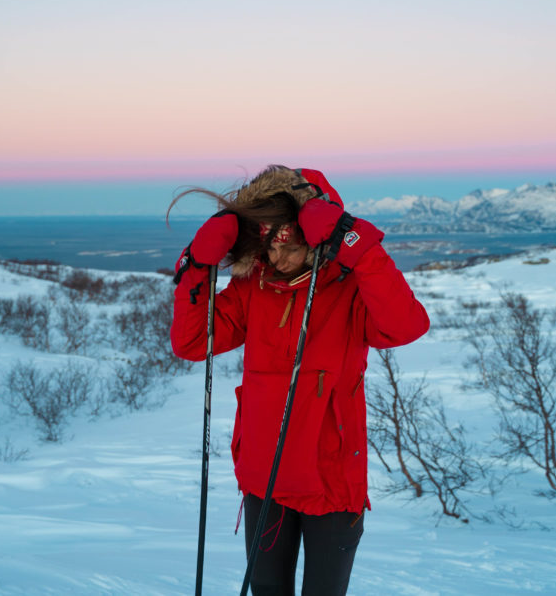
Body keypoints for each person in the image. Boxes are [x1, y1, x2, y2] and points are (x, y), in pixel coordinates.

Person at [170, 165, 429, 596]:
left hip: (331, 484)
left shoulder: (348, 287)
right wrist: (196, 265)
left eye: (287, 243)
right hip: (262, 480)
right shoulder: (254, 285)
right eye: (267, 245)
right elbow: (193, 342)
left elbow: (406, 326)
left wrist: (354, 241)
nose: (277, 258)